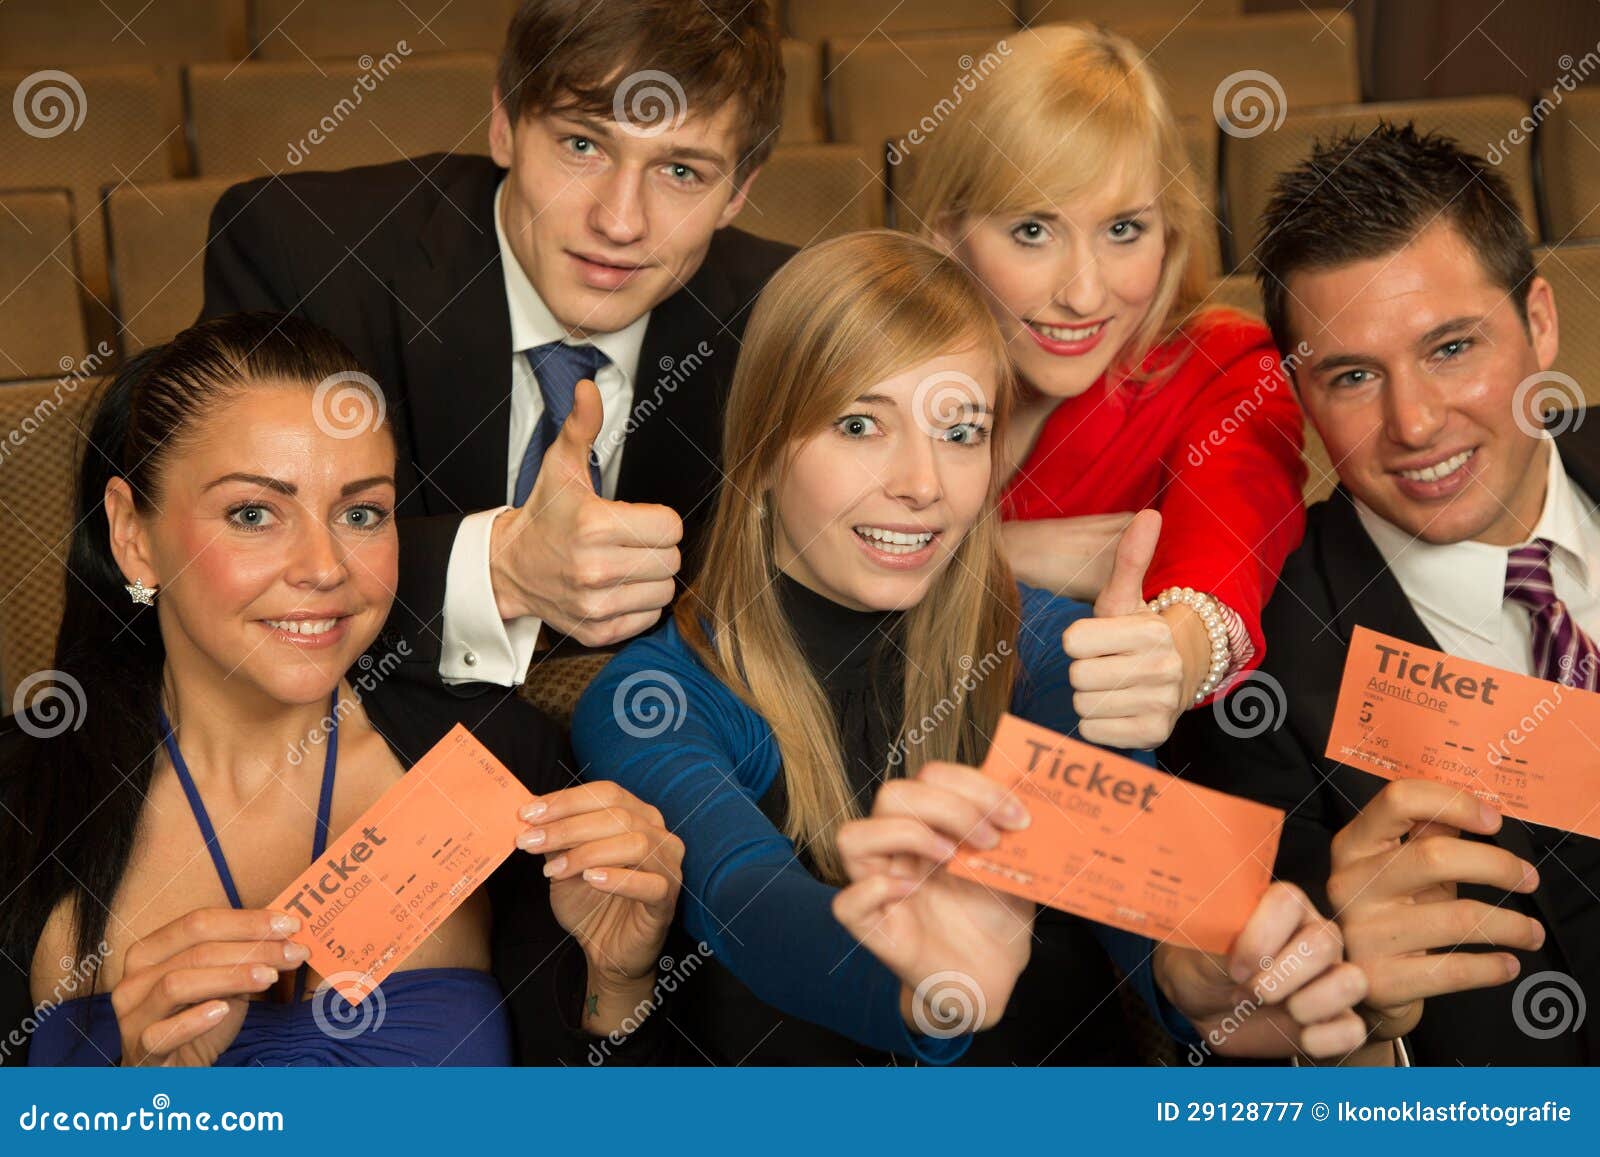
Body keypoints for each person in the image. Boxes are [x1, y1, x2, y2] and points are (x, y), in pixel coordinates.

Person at [571, 231, 1373, 1065]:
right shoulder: (650, 700)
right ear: (767, 448)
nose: (922, 483)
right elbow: (749, 899)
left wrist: (1211, 975)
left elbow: (1138, 893)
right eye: (859, 424)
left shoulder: (1053, 648)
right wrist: (927, 985)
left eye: (961, 432)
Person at [0, 314, 683, 1066]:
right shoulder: (19, 800)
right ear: (133, 534)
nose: (324, 567)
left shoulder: (503, 763)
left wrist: (619, 983)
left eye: (361, 513)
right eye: (254, 513)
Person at [201, 0, 793, 690]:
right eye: (582, 145)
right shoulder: (303, 252)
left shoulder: (786, 317)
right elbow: (219, 561)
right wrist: (498, 567)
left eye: (681, 172)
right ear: (505, 126)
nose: (620, 221)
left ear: (737, 194)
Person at [1168, 123, 1597, 1064]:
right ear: (1301, 395)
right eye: (1354, 375)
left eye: (1451, 348)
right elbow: (1225, 1033)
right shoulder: (1258, 667)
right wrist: (1347, 1003)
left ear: (1541, 320)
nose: (1413, 423)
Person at [909, 23, 1308, 749]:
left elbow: (1227, 540)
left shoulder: (1224, 364)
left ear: (1171, 235)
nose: (1085, 294)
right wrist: (993, 550)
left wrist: (1178, 655)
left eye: (1124, 228)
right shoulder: (879, 369)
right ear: (948, 236)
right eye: (1034, 230)